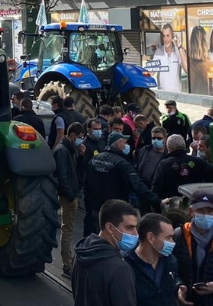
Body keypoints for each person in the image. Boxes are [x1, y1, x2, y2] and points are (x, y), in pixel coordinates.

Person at [83, 132, 160, 237]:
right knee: (110, 240)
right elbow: (137, 186)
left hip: (94, 208)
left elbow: (86, 182)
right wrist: (157, 200)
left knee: (91, 239)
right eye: (125, 143)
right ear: (119, 145)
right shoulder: (122, 163)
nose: (127, 145)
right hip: (114, 211)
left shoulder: (95, 159)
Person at [72, 199, 140, 306]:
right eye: (129, 227)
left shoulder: (82, 250)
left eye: (136, 227)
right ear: (110, 228)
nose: (135, 234)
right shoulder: (120, 269)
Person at [172, 190, 213, 306]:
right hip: (187, 300)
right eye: (200, 210)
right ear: (191, 212)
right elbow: (170, 267)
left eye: (209, 211)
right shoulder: (179, 235)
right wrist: (179, 285)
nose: (205, 215)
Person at [124, 213, 180, 306]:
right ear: (151, 238)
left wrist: (179, 284)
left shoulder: (171, 262)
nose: (173, 242)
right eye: (168, 237)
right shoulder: (127, 266)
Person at [151, 135, 213, 199]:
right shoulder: (198, 161)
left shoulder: (163, 165)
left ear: (169, 147)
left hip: (172, 208)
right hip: (195, 204)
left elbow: (156, 189)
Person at [54, 122, 84, 278]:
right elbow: (63, 176)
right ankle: (67, 265)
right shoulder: (62, 150)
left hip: (73, 192)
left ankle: (68, 262)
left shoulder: (70, 149)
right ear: (72, 136)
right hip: (68, 195)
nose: (81, 140)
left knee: (68, 229)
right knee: (67, 230)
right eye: (79, 137)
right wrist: (71, 197)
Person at [151, 24, 187, 92]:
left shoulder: (178, 51)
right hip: (163, 93)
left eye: (168, 36)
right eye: (164, 36)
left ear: (172, 36)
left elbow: (187, 69)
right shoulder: (158, 52)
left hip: (177, 93)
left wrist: (179, 46)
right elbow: (151, 73)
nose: (165, 39)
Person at [188, 26, 213, 96]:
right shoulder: (210, 65)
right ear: (204, 43)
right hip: (206, 103)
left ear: (191, 42)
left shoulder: (188, 63)